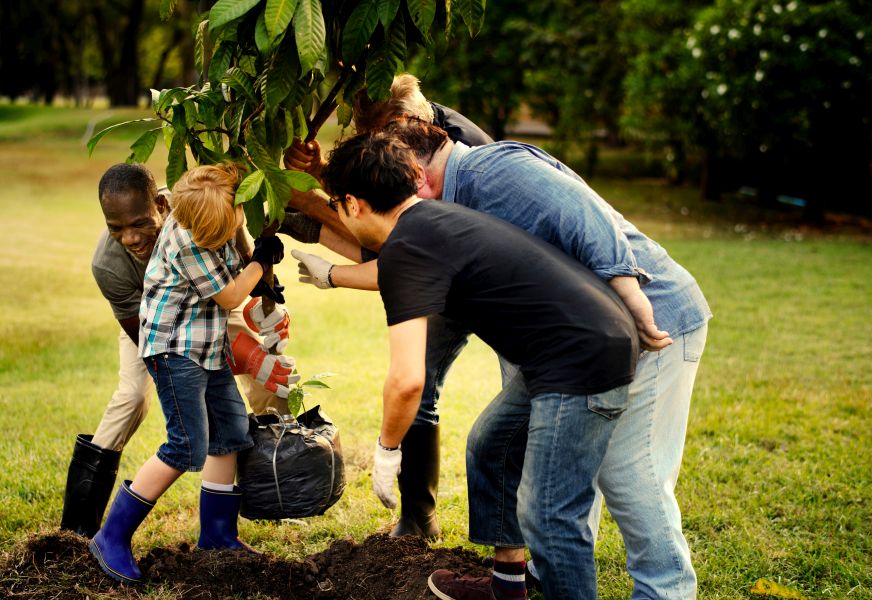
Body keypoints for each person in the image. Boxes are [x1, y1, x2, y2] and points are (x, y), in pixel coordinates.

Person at [294, 118, 712, 599]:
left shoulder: (487, 178)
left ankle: (660, 589)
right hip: (573, 343)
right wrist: (330, 275)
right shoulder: (433, 218)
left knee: (558, 509)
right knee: (491, 445)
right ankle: (509, 585)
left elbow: (407, 380)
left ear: (355, 204)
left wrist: (387, 454)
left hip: (591, 351)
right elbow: (393, 267)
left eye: (340, 208)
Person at [284, 74, 494, 539]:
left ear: (405, 123)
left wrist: (313, 207)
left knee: (477, 410)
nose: (376, 148)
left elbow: (401, 251)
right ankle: (418, 519)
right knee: (424, 384)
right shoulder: (409, 133)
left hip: (494, 283)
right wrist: (322, 177)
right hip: (448, 265)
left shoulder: (456, 155)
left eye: (378, 139)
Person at [61, 163, 296, 539]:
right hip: (161, 332)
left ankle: (245, 516)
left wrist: (263, 297)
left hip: (206, 313)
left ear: (161, 204)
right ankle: (87, 529)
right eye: (116, 229)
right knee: (144, 407)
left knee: (239, 418)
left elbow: (236, 262)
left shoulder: (199, 204)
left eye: (139, 223)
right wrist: (244, 352)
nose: (130, 238)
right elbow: (155, 338)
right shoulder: (119, 263)